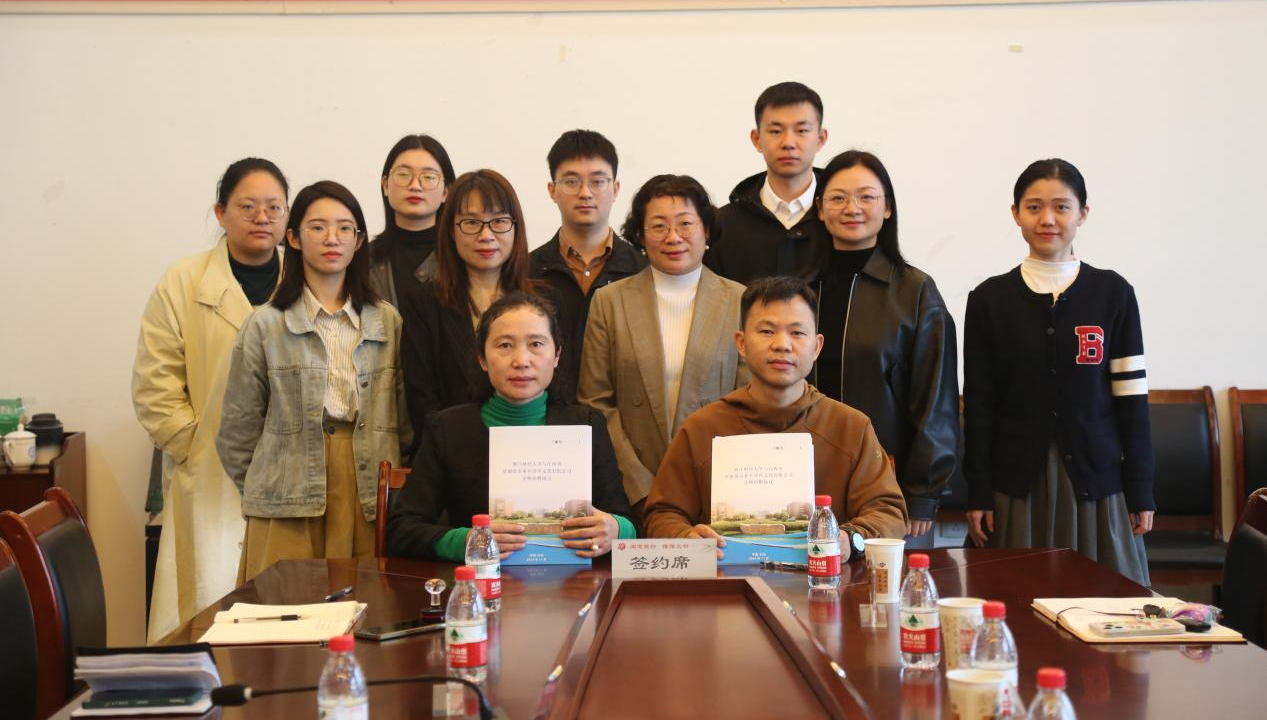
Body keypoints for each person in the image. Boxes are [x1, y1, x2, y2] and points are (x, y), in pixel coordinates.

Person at [963, 158, 1153, 586]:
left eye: (1061, 207)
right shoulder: (989, 299)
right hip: (1016, 485)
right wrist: (978, 492)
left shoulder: (1113, 294)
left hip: (1097, 482)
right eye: (1034, 207)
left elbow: (1131, 399)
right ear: (1015, 214)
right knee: (1017, 599)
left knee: (1105, 604)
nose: (1047, 219)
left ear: (1083, 213)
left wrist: (1141, 488)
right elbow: (979, 405)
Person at [217, 180, 408, 581]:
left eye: (345, 228)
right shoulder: (265, 324)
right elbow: (238, 430)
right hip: (286, 490)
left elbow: (404, 420)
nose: (332, 238)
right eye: (318, 227)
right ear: (293, 238)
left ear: (359, 241)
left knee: (364, 601)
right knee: (284, 605)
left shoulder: (386, 321)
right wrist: (268, 485)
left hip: (367, 486)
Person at [132, 157, 288, 642]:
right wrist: (195, 446)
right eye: (247, 206)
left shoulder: (307, 278)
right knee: (207, 607)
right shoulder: (183, 281)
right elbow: (155, 384)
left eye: (274, 207)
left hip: (290, 474)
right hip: (210, 477)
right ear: (220, 213)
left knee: (286, 614)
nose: (262, 217)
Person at [643, 276, 908, 552]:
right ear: (741, 343)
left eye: (797, 333)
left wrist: (849, 539)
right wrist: (685, 537)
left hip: (825, 576)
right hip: (725, 577)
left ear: (816, 347)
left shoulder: (850, 426)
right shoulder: (702, 427)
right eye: (767, 331)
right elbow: (662, 514)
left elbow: (888, 512)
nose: (782, 344)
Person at [387, 292, 636, 561]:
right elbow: (401, 529)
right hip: (482, 581)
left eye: (536, 344)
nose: (521, 361)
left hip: (573, 580)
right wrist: (468, 541)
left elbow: (628, 523)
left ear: (557, 355)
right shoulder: (447, 429)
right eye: (505, 345)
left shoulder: (586, 425)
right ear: (482, 358)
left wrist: (616, 529)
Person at [811, 150, 959, 543]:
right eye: (838, 198)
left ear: (888, 208)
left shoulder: (915, 291)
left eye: (866, 196)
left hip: (890, 488)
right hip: (805, 485)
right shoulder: (800, 288)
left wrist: (922, 493)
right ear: (820, 209)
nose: (852, 208)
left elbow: (936, 400)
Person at [578, 174, 747, 513]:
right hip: (632, 491)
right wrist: (639, 486)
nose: (673, 237)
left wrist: (717, 479)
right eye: (658, 226)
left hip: (717, 488)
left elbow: (749, 401)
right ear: (640, 236)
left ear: (706, 230)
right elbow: (595, 402)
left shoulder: (740, 300)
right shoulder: (609, 301)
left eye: (685, 223)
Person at [399, 169, 540, 430]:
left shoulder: (545, 302)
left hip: (532, 447)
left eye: (499, 221)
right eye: (471, 223)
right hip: (451, 448)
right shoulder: (422, 305)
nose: (486, 235)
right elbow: (421, 400)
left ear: (515, 227)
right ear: (451, 231)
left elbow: (560, 393)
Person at [530, 129, 646, 391]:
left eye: (597, 181)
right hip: (546, 409)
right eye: (571, 181)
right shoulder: (527, 270)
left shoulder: (642, 271)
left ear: (615, 188)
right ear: (552, 190)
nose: (585, 193)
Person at [705, 81, 830, 284]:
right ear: (757, 139)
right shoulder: (724, 226)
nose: (788, 143)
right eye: (775, 131)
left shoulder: (842, 217)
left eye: (801, 130)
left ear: (821, 139)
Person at [368, 134, 457, 307]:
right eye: (403, 174)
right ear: (385, 185)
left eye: (429, 177)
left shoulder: (461, 257)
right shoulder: (363, 261)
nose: (415, 186)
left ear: (446, 192)